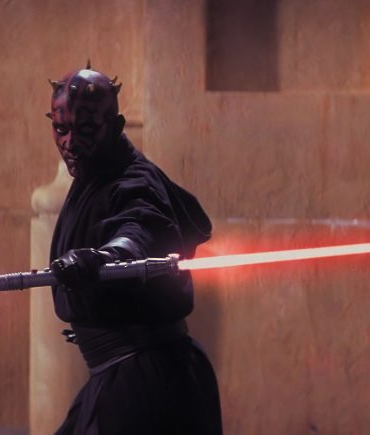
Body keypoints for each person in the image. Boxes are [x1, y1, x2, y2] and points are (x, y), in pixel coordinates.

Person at [46, 63, 223, 434]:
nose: (70, 143)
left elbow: (141, 228)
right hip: (118, 373)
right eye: (61, 129)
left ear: (115, 126)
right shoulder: (95, 172)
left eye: (86, 129)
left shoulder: (134, 179)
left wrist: (106, 256)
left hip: (147, 380)